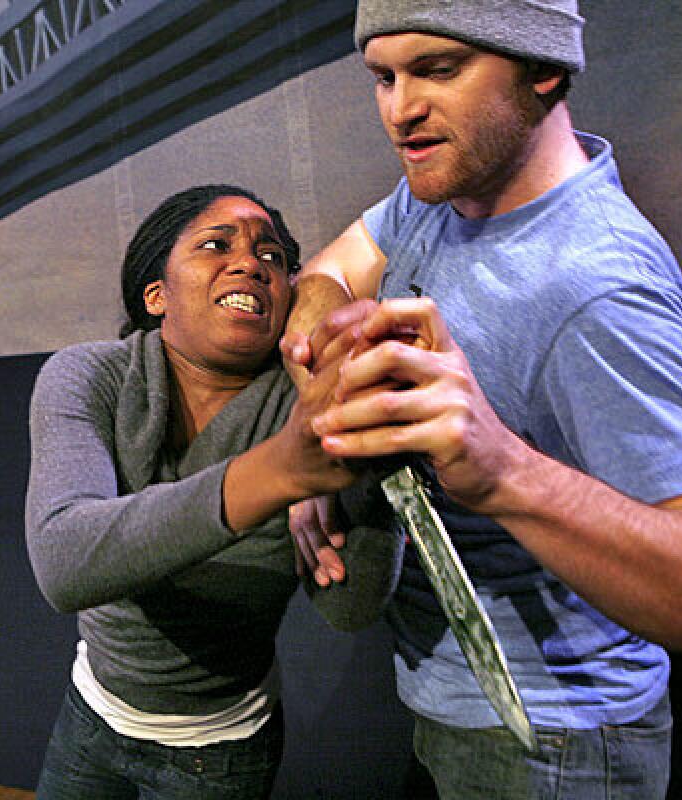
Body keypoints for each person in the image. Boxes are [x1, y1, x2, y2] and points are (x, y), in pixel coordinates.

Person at [282, 2, 682, 797]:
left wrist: (502, 470)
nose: (399, 109)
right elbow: (335, 269)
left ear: (543, 67)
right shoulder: (443, 184)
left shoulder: (601, 288)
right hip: (448, 699)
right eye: (382, 76)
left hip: (554, 745)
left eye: (438, 69)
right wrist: (318, 376)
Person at [25, 184, 401, 799]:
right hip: (92, 718)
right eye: (214, 244)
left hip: (220, 753)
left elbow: (350, 607)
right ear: (157, 295)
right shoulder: (88, 377)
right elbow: (65, 563)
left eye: (273, 257)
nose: (252, 263)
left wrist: (363, 471)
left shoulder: (307, 411)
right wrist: (280, 472)